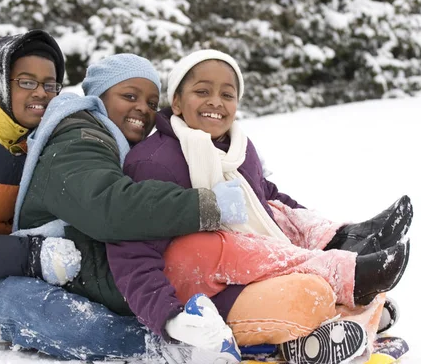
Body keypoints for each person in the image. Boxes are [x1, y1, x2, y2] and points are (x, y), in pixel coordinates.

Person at [0, 32, 245, 363]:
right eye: (27, 82)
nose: (41, 93)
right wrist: (33, 255)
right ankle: (181, 351)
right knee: (67, 320)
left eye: (50, 84)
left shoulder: (32, 132)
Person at [106, 49, 412, 363]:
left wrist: (314, 230)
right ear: (178, 102)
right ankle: (347, 291)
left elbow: (267, 198)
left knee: (280, 214)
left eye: (228, 94)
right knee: (311, 293)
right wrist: (171, 317)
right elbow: (132, 252)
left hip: (252, 273)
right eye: (202, 92)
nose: (216, 101)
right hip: (201, 292)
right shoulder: (155, 162)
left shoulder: (238, 148)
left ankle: (345, 251)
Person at [13, 53, 251, 363]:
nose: (144, 108)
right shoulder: (79, 138)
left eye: (152, 103)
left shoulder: (118, 143)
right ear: (98, 97)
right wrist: (208, 205)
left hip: (95, 265)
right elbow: (110, 208)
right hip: (63, 269)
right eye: (129, 96)